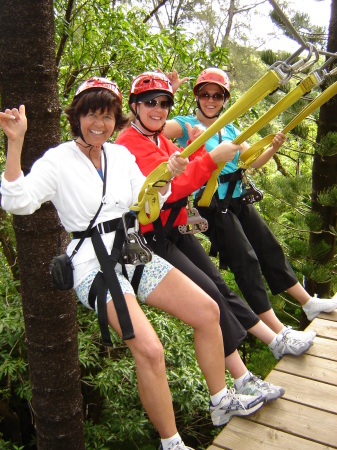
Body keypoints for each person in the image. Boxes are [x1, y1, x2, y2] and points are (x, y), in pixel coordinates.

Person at [0, 77, 265, 450]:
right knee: (151, 350)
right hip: (93, 263)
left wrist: (169, 172)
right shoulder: (58, 160)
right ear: (76, 116)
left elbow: (149, 196)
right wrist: (15, 142)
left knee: (207, 310)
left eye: (107, 116)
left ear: (116, 120)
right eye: (91, 114)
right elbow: (17, 200)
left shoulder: (119, 156)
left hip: (130, 249)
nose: (99, 124)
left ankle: (221, 401)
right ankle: (172, 443)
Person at [115, 71, 313, 404]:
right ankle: (244, 375)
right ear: (134, 106)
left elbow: (183, 166)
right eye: (150, 103)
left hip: (175, 226)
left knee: (218, 286)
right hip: (152, 237)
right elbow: (171, 185)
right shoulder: (129, 143)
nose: (158, 109)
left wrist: (198, 153)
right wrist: (209, 158)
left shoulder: (157, 139)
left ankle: (272, 341)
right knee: (209, 297)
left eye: (164, 103)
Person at [163, 67, 337, 336]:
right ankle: (278, 331)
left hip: (236, 197)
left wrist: (274, 147)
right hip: (210, 202)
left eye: (217, 96)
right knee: (245, 260)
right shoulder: (185, 124)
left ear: (224, 100)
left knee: (269, 246)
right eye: (205, 94)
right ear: (197, 97)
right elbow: (155, 128)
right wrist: (168, 91)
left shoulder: (230, 128)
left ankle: (308, 303)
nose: (211, 100)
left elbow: (253, 161)